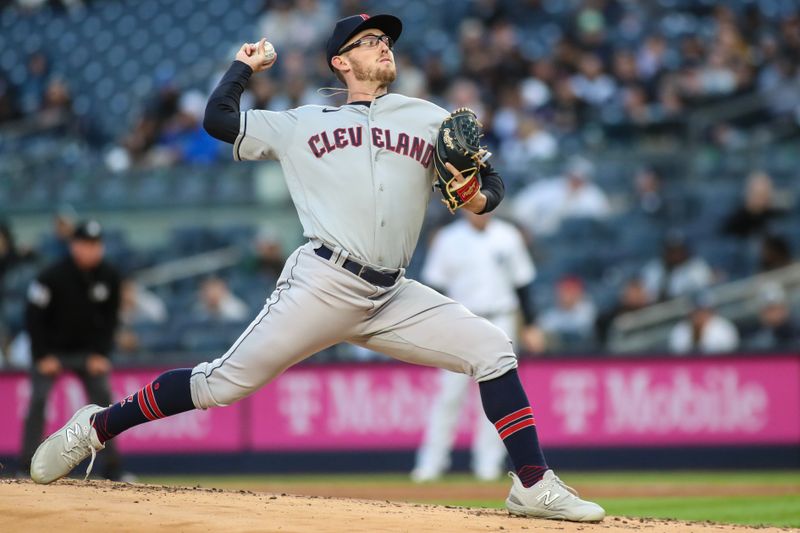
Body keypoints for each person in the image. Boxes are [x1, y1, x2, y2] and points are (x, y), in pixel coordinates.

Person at [30, 14, 604, 523]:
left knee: (493, 347)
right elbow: (218, 120)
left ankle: (533, 485)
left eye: (387, 39)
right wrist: (241, 65)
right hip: (322, 284)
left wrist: (476, 194)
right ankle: (97, 426)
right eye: (370, 40)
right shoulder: (302, 123)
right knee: (217, 385)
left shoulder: (429, 118)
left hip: (392, 293)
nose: (384, 47)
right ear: (341, 60)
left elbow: (490, 188)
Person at [411, 210, 538, 483]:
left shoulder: (508, 236)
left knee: (497, 394)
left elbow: (523, 284)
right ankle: (431, 464)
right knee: (448, 395)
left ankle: (488, 465)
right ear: (464, 207)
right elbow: (434, 286)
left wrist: (531, 324)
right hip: (460, 320)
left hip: (500, 318)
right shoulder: (448, 238)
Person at [20, 220, 126, 480]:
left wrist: (102, 353)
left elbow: (111, 320)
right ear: (74, 245)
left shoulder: (109, 276)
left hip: (88, 353)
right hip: (52, 352)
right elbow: (33, 317)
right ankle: (26, 466)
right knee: (38, 399)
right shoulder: (51, 275)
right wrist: (42, 355)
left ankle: (113, 469)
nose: (91, 250)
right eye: (86, 244)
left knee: (105, 403)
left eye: (96, 245)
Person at [668, 291, 739, 354]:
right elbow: (676, 357)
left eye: (703, 310)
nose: (699, 314)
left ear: (710, 310)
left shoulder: (723, 327)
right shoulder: (680, 329)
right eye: (696, 311)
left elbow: (731, 354)